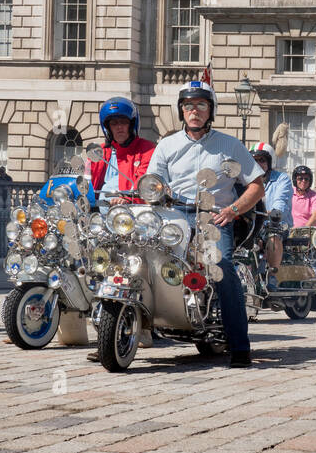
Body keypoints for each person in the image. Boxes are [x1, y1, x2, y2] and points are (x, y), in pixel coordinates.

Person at [147, 79, 265, 367]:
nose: (194, 111)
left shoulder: (230, 144)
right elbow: (153, 183)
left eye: (201, 105)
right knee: (142, 256)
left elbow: (257, 185)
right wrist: (153, 193)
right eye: (188, 105)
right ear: (181, 111)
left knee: (222, 268)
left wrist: (234, 209)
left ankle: (239, 347)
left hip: (213, 216)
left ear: (210, 110)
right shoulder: (166, 145)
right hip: (174, 215)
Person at [87, 97, 156, 205]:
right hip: (98, 214)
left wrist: (128, 199)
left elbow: (145, 180)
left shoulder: (146, 149)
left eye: (124, 122)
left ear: (132, 124)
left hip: (132, 212)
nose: (119, 127)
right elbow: (86, 178)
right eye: (114, 123)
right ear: (108, 128)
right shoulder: (100, 152)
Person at [251, 142, 292, 285]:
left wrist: (275, 213)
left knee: (273, 234)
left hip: (275, 223)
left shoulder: (282, 179)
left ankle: (272, 275)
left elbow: (280, 200)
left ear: (270, 162)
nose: (258, 164)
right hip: (252, 224)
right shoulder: (245, 179)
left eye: (261, 160)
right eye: (254, 160)